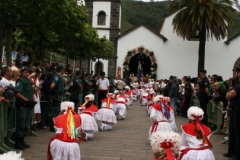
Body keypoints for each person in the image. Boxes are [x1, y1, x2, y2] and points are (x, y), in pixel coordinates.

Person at [15, 66, 35, 150]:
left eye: (28, 72)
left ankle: (22, 140)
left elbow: (31, 92)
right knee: (21, 124)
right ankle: (18, 142)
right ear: (22, 73)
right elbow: (18, 93)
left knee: (26, 124)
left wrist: (32, 99)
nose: (26, 74)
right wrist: (26, 100)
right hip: (23, 105)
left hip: (28, 105)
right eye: (25, 72)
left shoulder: (29, 81)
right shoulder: (20, 81)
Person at [223, 66, 240, 160]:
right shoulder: (237, 85)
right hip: (234, 111)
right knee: (232, 132)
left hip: (238, 111)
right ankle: (231, 151)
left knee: (237, 133)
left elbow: (230, 94)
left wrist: (228, 95)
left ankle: (237, 154)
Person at [49, 66, 65, 132]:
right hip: (56, 95)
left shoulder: (59, 76)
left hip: (58, 95)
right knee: (55, 110)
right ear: (61, 70)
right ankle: (52, 125)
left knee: (57, 110)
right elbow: (52, 86)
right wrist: (52, 91)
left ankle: (54, 124)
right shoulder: (57, 76)